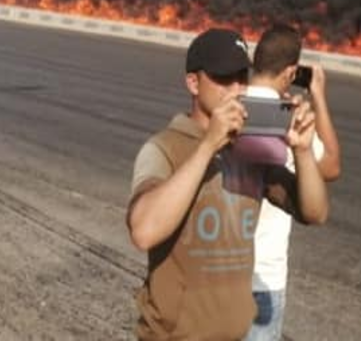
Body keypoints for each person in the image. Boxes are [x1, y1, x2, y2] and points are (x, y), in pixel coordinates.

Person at [127, 28, 329, 340]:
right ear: (193, 83)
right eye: (223, 79)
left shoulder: (249, 150)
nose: (236, 88)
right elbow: (144, 231)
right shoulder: (165, 147)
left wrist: (302, 150)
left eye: (241, 77)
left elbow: (314, 212)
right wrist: (208, 145)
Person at [245, 24, 342, 341]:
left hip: (218, 271)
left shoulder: (227, 106)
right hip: (263, 278)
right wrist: (319, 97)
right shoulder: (288, 116)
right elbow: (330, 165)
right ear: (290, 72)